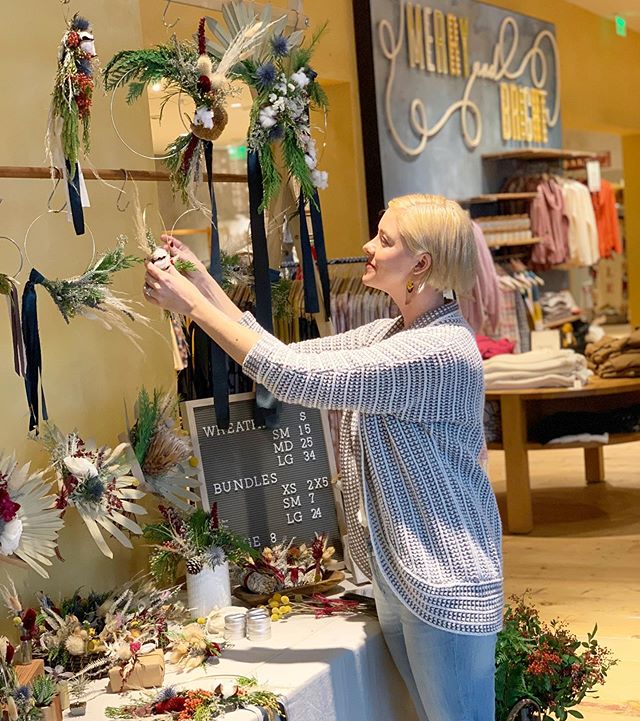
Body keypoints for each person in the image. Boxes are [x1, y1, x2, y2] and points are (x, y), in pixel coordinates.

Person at [144, 194, 503, 721]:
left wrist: (191, 308)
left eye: (385, 240)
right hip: (404, 571)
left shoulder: (436, 352)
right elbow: (283, 356)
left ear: (422, 264)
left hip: (446, 576)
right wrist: (203, 283)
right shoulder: (395, 333)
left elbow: (293, 379)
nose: (368, 247)